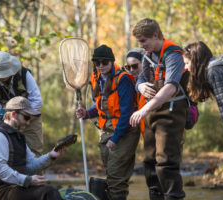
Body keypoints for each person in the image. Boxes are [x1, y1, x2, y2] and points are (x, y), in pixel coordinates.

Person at [129, 18, 188, 200]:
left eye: (143, 41)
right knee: (149, 161)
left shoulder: (173, 54)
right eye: (139, 42)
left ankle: (173, 196)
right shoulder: (148, 54)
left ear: (155, 35)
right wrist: (140, 87)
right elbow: (140, 79)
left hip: (171, 113)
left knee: (165, 162)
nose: (141, 45)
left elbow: (170, 88)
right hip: (152, 112)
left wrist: (143, 110)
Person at [76, 45, 140, 200]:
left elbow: (127, 113)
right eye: (97, 63)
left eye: (105, 62)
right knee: (111, 176)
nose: (101, 66)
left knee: (116, 177)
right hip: (105, 131)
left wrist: (115, 138)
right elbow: (99, 107)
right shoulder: (95, 78)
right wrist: (86, 113)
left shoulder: (123, 79)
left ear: (112, 62)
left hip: (124, 132)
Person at [0, 96, 65, 200]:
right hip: (0, 194)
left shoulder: (18, 138)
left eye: (30, 118)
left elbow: (30, 165)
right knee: (49, 193)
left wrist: (51, 156)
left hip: (15, 189)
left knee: (50, 190)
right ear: (13, 114)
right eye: (26, 117)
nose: (28, 122)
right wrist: (27, 180)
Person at [0, 51, 44, 157]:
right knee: (9, 154)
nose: (2, 76)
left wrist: (22, 115)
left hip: (30, 119)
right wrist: (10, 118)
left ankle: (35, 174)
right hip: (7, 121)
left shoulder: (25, 74)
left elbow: (37, 101)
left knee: (35, 153)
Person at [182, 41, 223, 135]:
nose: (186, 67)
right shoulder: (216, 69)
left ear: (195, 60)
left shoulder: (214, 71)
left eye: (187, 63)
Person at [124, 48, 146, 135]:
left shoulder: (151, 81)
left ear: (144, 63)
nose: (131, 70)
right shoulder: (131, 82)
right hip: (145, 132)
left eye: (134, 66)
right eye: (128, 67)